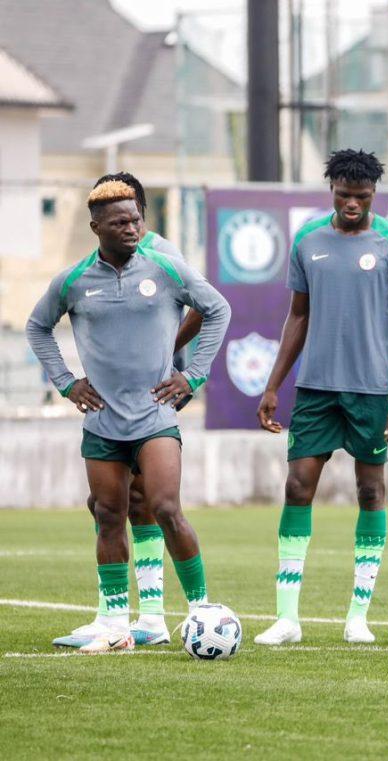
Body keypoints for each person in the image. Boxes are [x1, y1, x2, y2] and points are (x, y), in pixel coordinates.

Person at [26, 180, 231, 653]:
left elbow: (217, 308)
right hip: (101, 422)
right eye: (120, 222)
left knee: (164, 507)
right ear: (97, 227)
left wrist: (193, 375)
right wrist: (66, 382)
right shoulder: (73, 281)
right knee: (108, 515)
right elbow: (37, 327)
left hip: (155, 416)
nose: (132, 227)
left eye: (136, 218)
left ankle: (203, 611)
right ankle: (115, 621)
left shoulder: (164, 267)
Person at [254, 149, 388, 646]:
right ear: (331, 190)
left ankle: (358, 616)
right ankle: (287, 618)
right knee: (297, 485)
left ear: (374, 194)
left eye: (362, 196)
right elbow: (298, 316)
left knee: (370, 491)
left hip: (372, 391)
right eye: (344, 195)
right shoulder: (308, 240)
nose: (352, 203)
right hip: (315, 389)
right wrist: (273, 385)